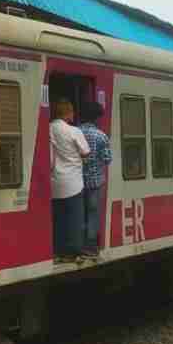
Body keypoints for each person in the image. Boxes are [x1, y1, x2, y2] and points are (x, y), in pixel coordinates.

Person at [50, 98, 89, 263]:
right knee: (74, 219)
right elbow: (86, 151)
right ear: (68, 113)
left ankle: (58, 251)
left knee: (59, 219)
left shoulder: (49, 128)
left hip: (55, 181)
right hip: (73, 182)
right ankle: (73, 252)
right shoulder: (74, 131)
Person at [77, 102, 111, 259]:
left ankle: (78, 242)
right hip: (95, 181)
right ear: (96, 117)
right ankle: (90, 245)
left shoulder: (76, 132)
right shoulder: (101, 136)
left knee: (79, 212)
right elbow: (107, 159)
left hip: (77, 180)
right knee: (93, 212)